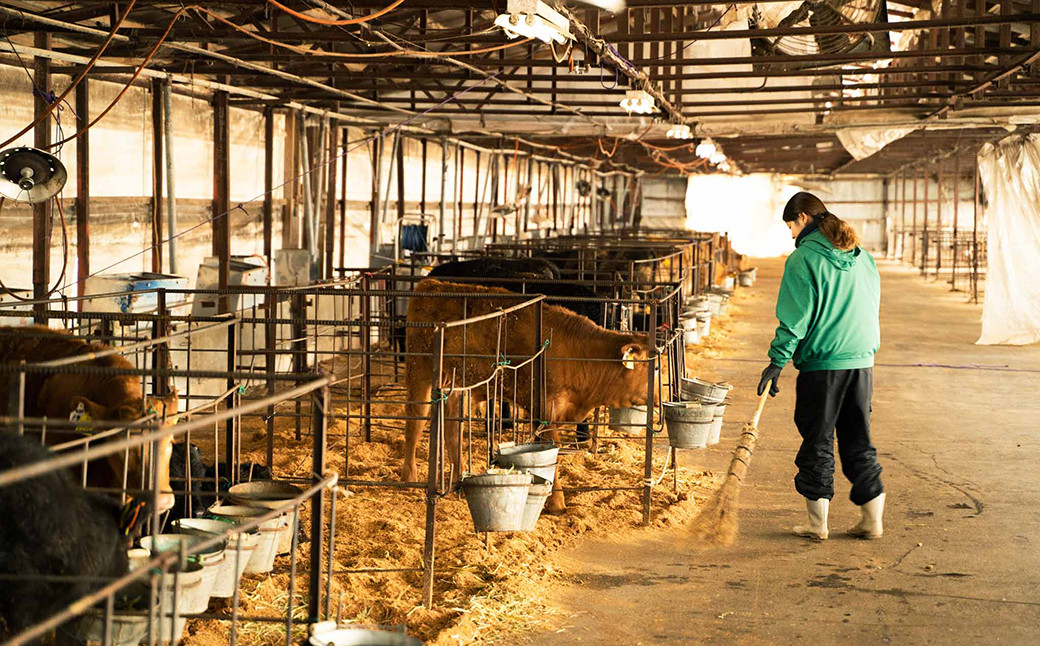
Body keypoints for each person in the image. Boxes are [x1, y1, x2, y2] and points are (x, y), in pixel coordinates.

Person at [757, 192, 884, 540]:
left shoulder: (803, 260)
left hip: (823, 363)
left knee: (818, 439)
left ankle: (818, 524)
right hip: (862, 362)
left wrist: (777, 361)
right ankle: (872, 521)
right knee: (859, 437)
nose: (790, 234)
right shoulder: (862, 258)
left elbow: (796, 318)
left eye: (790, 225)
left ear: (802, 218)